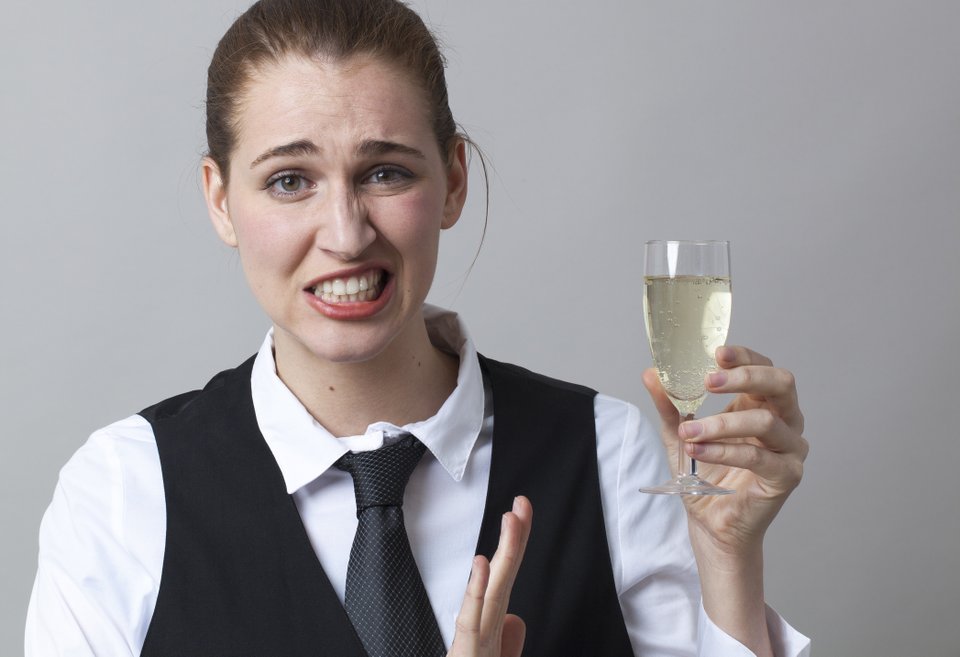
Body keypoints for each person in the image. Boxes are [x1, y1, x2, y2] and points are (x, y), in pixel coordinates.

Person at [25, 1, 811, 656]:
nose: (345, 231)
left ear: (454, 182)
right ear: (221, 198)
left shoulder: (606, 455)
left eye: (385, 172)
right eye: (290, 179)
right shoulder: (124, 493)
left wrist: (726, 560)